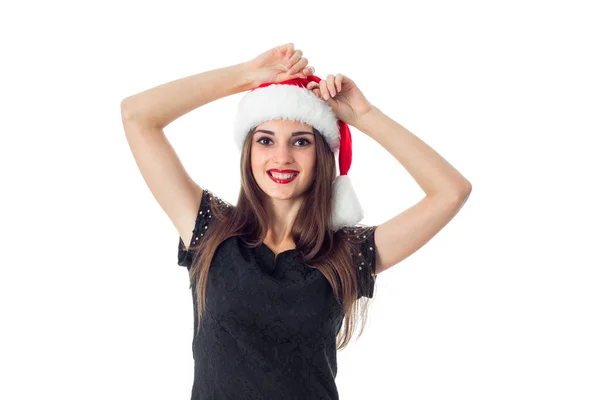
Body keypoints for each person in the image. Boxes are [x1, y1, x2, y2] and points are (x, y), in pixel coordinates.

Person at [121, 43, 471, 399]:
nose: (282, 157)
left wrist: (363, 116)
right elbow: (137, 115)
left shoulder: (347, 253)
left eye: (300, 142)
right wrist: (246, 76)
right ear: (249, 152)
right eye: (266, 140)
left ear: (321, 155)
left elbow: (451, 191)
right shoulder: (212, 231)